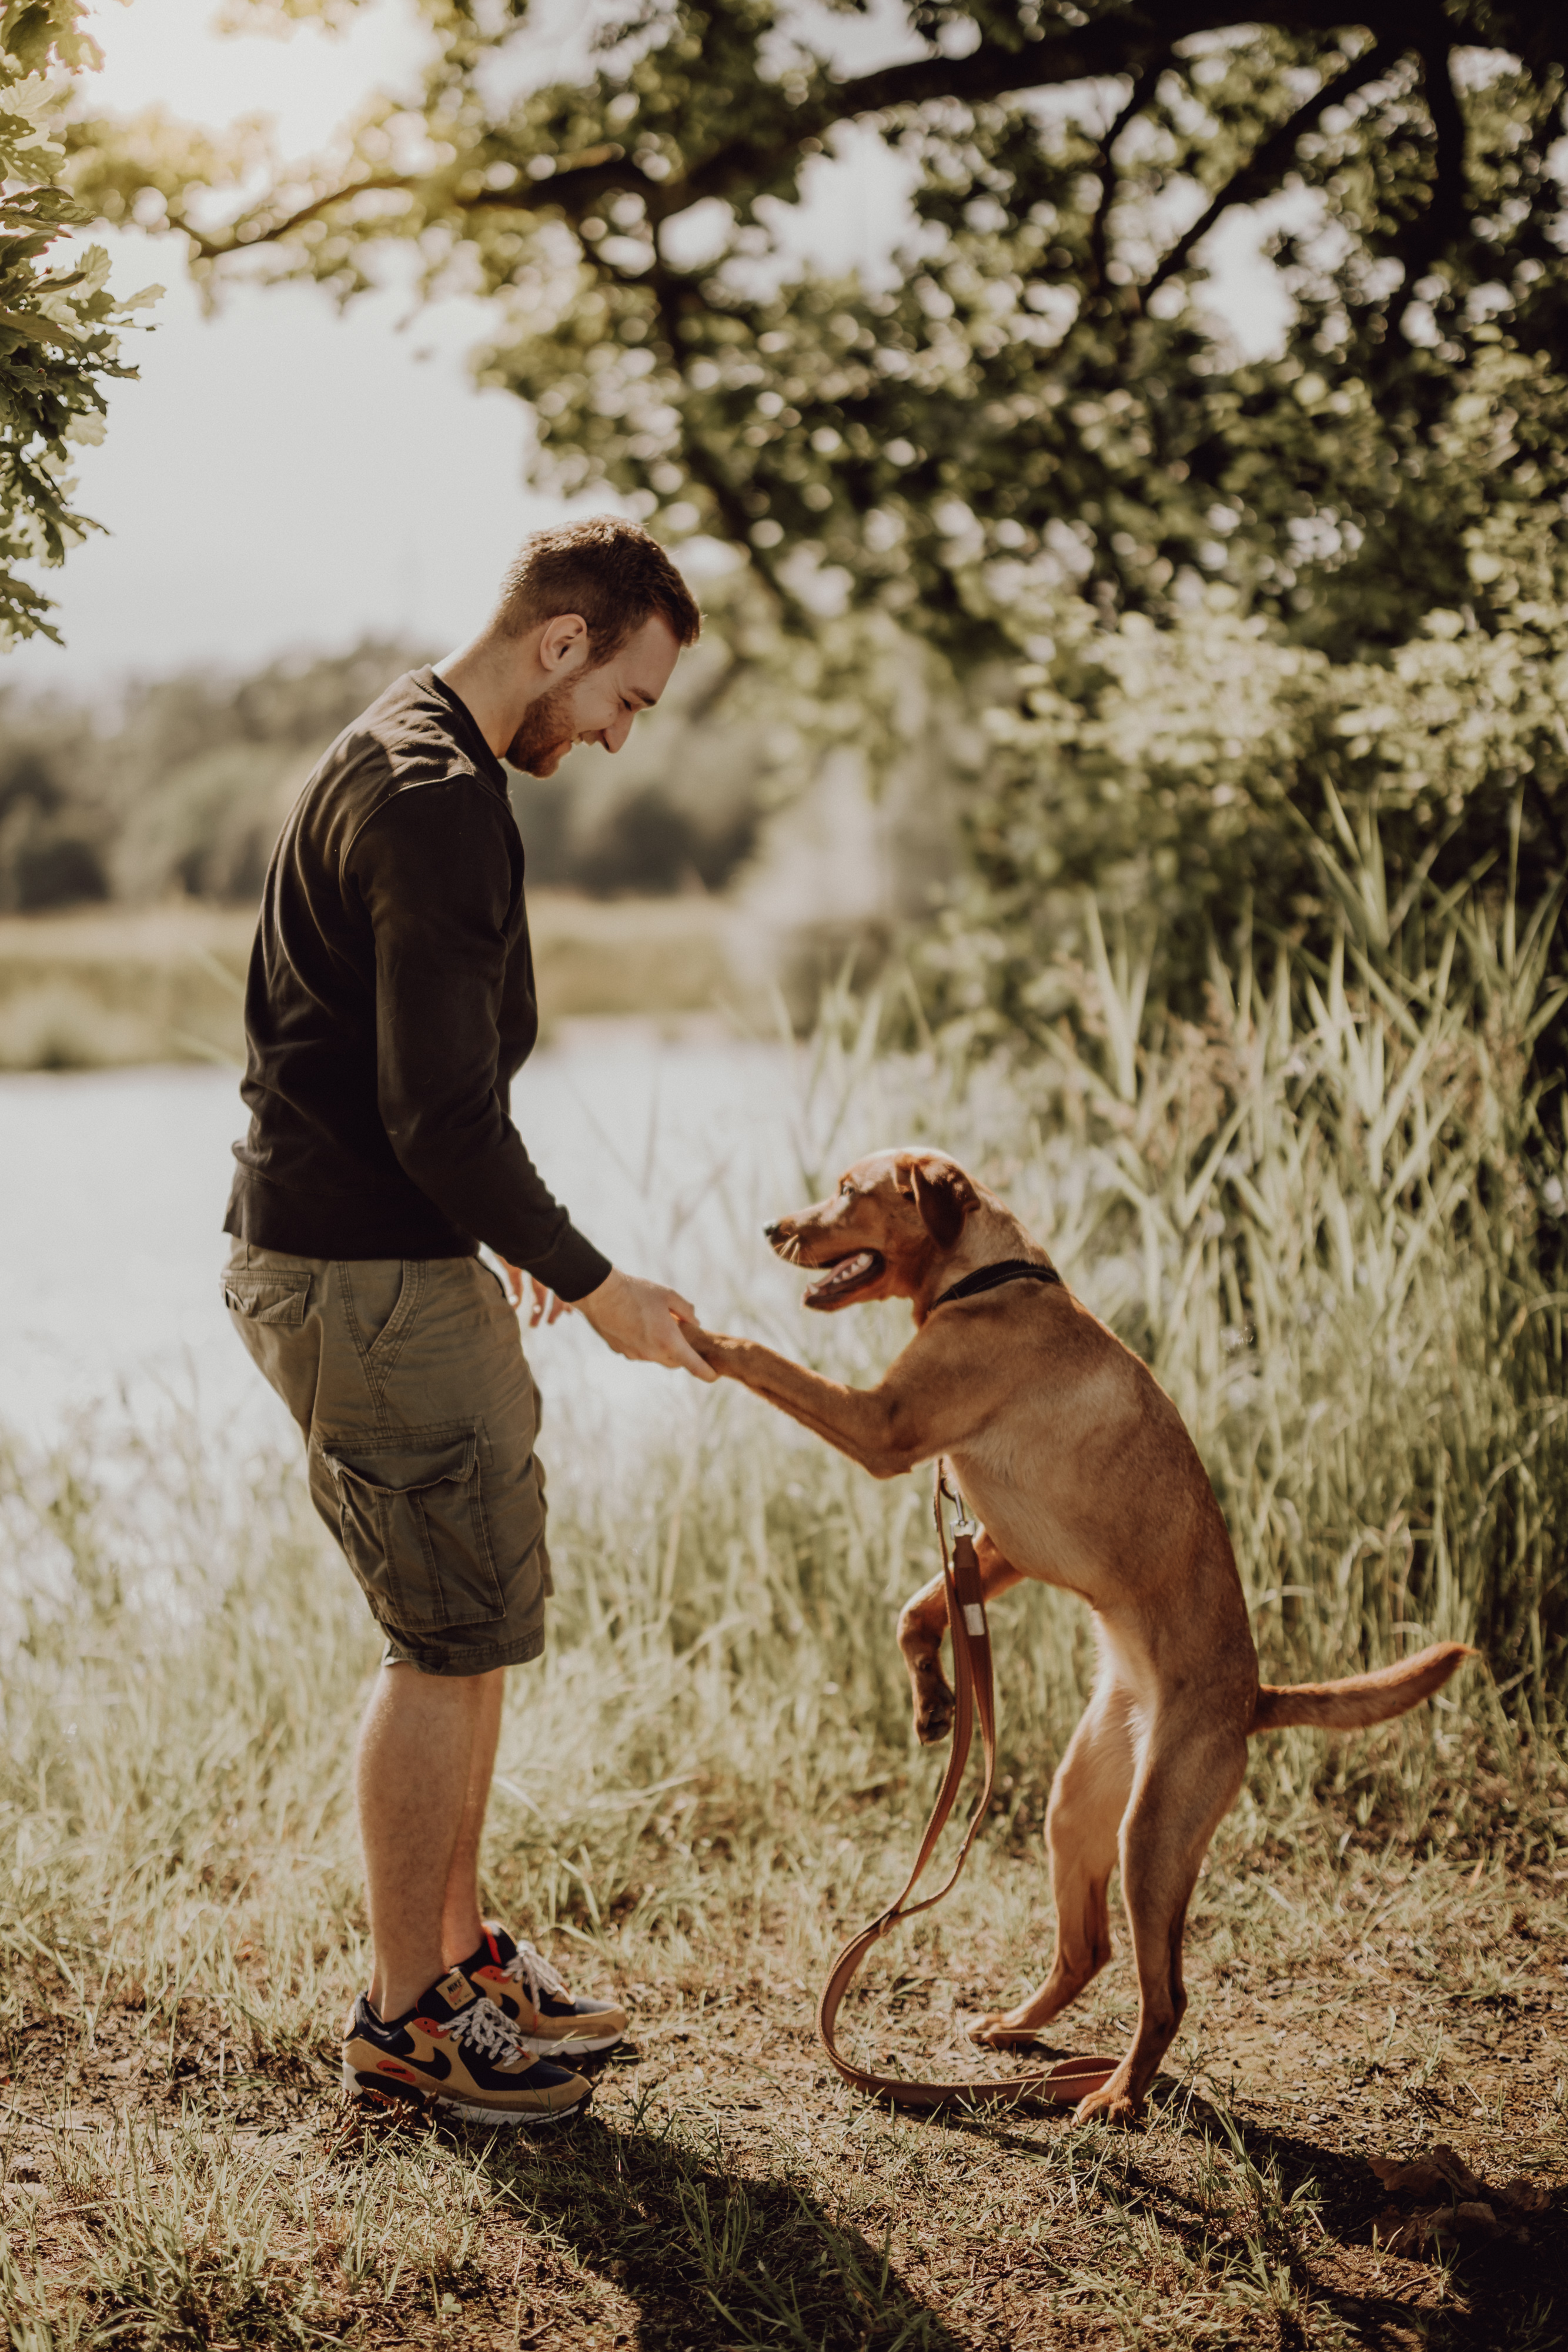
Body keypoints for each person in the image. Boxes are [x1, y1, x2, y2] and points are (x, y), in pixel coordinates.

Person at [221, 516, 714, 2130]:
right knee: (441, 1643)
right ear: (561, 643)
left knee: (476, 1618)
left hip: (384, 1261)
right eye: (625, 697)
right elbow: (433, 1115)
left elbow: (419, 1091)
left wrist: (486, 1235)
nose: (621, 735)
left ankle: (461, 1964)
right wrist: (592, 1278)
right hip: (362, 1278)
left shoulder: (396, 739)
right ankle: (404, 2022)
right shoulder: (436, 801)